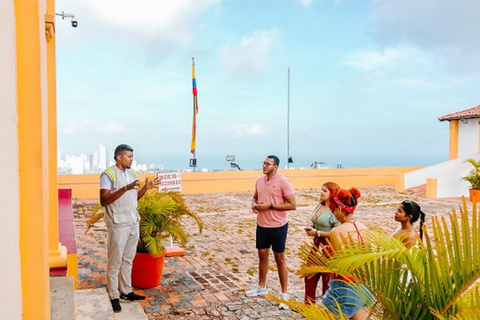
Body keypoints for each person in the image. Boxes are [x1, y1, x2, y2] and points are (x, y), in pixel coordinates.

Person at [100, 144, 159, 313]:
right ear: (119, 157)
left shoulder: (132, 173)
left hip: (133, 222)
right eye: (128, 157)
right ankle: (113, 295)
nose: (131, 160)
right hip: (118, 224)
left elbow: (134, 198)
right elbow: (104, 200)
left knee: (128, 259)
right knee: (114, 261)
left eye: (132, 157)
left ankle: (126, 291)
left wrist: (145, 190)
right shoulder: (108, 174)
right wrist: (125, 188)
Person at [246, 155, 296, 310]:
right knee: (262, 255)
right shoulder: (259, 181)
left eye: (268, 164)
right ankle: (261, 286)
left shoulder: (283, 182)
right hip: (262, 225)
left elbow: (292, 205)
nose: (264, 166)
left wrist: (271, 206)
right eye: (263, 163)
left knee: (279, 258)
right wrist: (254, 205)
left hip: (278, 225)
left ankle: (284, 294)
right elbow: (254, 197)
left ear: (275, 166)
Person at [322, 187, 370, 320]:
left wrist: (327, 256)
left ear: (338, 209)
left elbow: (342, 263)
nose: (333, 214)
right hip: (365, 283)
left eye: (333, 210)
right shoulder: (363, 227)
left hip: (346, 286)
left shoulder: (337, 231)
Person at [304, 182, 341, 304]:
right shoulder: (319, 206)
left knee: (327, 278)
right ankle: (309, 303)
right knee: (310, 274)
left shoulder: (334, 211)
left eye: (324, 191)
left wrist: (317, 232)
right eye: (321, 189)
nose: (321, 192)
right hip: (317, 245)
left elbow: (337, 232)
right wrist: (312, 228)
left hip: (328, 246)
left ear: (332, 194)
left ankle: (327, 306)